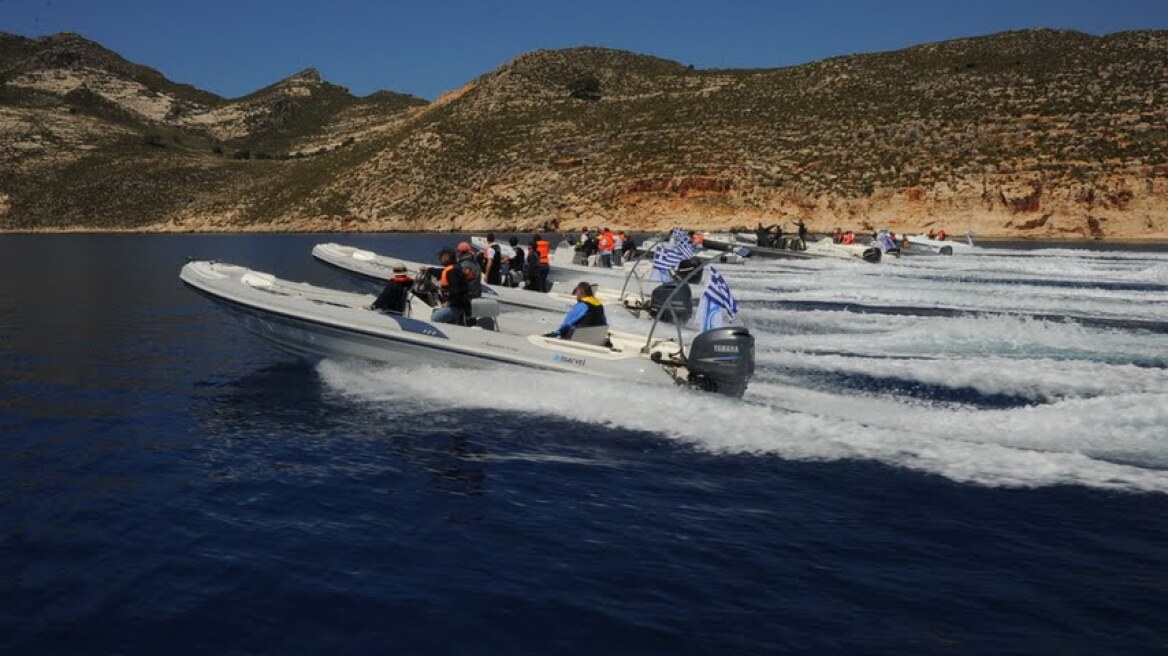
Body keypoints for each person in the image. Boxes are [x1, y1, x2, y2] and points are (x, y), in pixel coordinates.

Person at [423, 248, 470, 324]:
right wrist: (428, 270)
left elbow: (456, 291)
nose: (439, 259)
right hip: (457, 304)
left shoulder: (453, 272)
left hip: (457, 306)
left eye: (440, 257)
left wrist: (449, 302)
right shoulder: (453, 269)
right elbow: (441, 272)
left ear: (447, 257)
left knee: (435, 317)